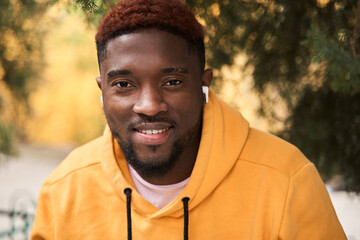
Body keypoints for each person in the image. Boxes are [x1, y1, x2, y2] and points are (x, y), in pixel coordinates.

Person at [31, 0, 346, 239]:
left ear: (204, 83)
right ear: (103, 91)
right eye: (124, 85)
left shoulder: (287, 180)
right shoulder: (63, 191)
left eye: (172, 82)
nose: (150, 105)